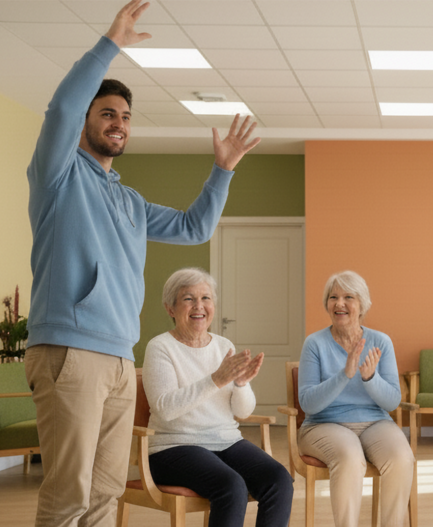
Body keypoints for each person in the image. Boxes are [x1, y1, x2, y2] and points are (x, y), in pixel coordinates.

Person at [20, 1, 261, 526]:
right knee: (68, 494)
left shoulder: (129, 201)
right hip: (69, 350)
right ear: (86, 121)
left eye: (125, 117)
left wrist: (221, 172)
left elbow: (195, 228)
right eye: (107, 113)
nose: (119, 123)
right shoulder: (59, 176)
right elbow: (60, 111)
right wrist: (110, 44)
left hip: (117, 359)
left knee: (106, 494)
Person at [142, 268, 291, 527]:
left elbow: (242, 413)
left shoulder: (224, 346)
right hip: (173, 447)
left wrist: (242, 384)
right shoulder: (160, 348)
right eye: (188, 298)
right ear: (170, 308)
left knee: (278, 479)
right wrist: (216, 380)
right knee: (231, 485)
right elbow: (165, 408)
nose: (199, 306)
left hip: (226, 441)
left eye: (206, 298)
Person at [297, 271, 414, 527]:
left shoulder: (380, 341)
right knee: (350, 457)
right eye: (333, 297)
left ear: (362, 304)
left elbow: (392, 401)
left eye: (348, 297)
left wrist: (371, 378)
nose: (339, 303)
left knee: (401, 458)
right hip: (323, 425)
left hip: (374, 422)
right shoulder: (314, 344)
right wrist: (344, 375)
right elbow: (308, 404)